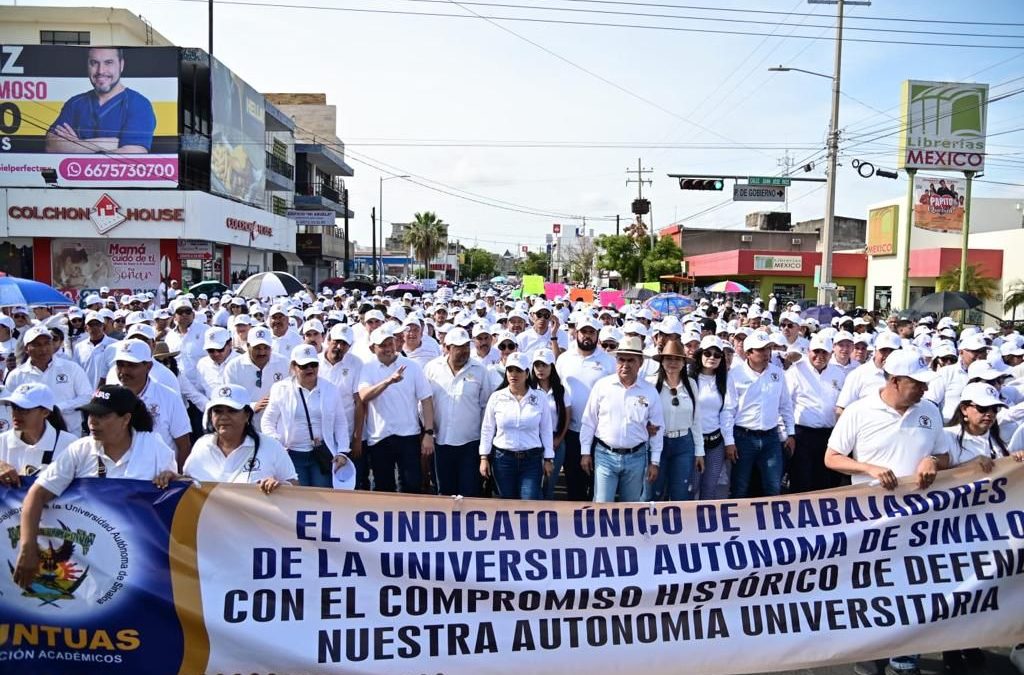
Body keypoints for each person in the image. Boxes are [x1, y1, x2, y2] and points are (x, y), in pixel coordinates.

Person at [825, 350, 950, 675]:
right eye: (917, 384)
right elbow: (833, 456)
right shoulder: (860, 411)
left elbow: (944, 454)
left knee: (915, 582)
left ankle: (906, 654)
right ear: (896, 381)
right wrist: (867, 467)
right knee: (872, 584)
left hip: (918, 516)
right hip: (871, 514)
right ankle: (870, 649)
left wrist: (933, 461)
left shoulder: (930, 411)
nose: (924, 390)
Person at [12, 386, 177, 589]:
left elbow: (175, 502)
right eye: (90, 414)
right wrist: (28, 547)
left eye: (102, 415)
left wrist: (173, 481)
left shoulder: (156, 450)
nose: (92, 421)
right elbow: (36, 495)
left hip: (143, 563)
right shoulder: (80, 449)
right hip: (91, 562)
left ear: (126, 419)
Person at [580, 335, 664, 503]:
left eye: (630, 360)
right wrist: (585, 452)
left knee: (630, 507)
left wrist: (655, 461)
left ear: (640, 363)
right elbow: (589, 421)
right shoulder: (602, 386)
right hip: (605, 454)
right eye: (621, 360)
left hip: (636, 456)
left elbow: (657, 428)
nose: (625, 365)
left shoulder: (649, 391)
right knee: (602, 505)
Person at [358, 326, 435, 494]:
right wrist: (388, 381)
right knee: (383, 489)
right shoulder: (367, 368)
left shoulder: (412, 367)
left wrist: (428, 433)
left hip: (408, 436)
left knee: (411, 486)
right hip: (379, 438)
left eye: (390, 344)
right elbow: (364, 396)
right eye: (382, 345)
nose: (388, 349)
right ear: (373, 348)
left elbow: (426, 400)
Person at [261, 345, 350, 488]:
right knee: (298, 496)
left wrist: (342, 451)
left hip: (322, 453)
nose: (310, 369)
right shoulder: (280, 389)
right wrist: (276, 442)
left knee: (322, 496)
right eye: (304, 366)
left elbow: (340, 422)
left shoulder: (330, 389)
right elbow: (268, 420)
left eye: (313, 365)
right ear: (294, 367)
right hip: (291, 454)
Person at [185, 384, 297, 494]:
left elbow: (295, 486)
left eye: (232, 411)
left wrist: (279, 487)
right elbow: (187, 482)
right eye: (218, 411)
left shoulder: (271, 446)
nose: (224, 417)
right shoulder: (201, 445)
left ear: (247, 415)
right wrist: (173, 478)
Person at [723, 331, 795, 498]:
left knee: (773, 486)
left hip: (771, 437)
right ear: (748, 353)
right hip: (743, 437)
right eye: (760, 350)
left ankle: (772, 522)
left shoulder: (777, 373)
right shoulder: (735, 375)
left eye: (768, 349)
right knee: (740, 486)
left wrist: (790, 433)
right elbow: (728, 410)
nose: (766, 353)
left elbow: (785, 405)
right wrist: (729, 441)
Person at [45, 47, 156, 154]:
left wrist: (76, 144)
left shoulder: (139, 105)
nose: (100, 70)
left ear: (121, 65)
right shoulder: (74, 104)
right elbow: (52, 146)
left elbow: (133, 152)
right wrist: (111, 144)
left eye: (108, 62)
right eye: (94, 63)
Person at [423, 327, 493, 497]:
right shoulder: (432, 368)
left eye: (466, 347)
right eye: (459, 347)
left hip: (470, 443)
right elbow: (424, 403)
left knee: (470, 492)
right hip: (440, 442)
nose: (464, 351)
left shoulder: (480, 370)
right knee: (445, 492)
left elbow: (486, 407)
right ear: (447, 348)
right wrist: (428, 431)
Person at [555, 315, 614, 501]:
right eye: (583, 332)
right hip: (571, 431)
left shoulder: (608, 361)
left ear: (597, 335)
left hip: (600, 433)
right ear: (576, 334)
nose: (587, 336)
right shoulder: (564, 359)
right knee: (574, 483)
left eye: (591, 332)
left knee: (597, 485)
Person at [479, 352, 552, 500]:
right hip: (503, 459)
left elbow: (546, 429)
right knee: (507, 503)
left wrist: (548, 458)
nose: (513, 374)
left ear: (527, 373)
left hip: (531, 459)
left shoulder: (539, 398)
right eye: (510, 370)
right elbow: (487, 429)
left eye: (518, 370)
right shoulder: (496, 397)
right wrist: (484, 457)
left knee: (529, 502)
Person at [785, 334, 848, 492]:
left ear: (830, 354)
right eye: (816, 352)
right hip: (802, 434)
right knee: (801, 481)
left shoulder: (839, 374)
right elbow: (784, 404)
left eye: (824, 353)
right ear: (808, 351)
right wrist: (788, 434)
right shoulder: (796, 370)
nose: (819, 356)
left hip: (829, 435)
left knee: (825, 482)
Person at [5, 325, 93, 434]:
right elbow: (9, 408)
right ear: (26, 349)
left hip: (69, 433)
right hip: (31, 437)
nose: (43, 349)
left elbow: (87, 397)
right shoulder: (16, 375)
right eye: (37, 345)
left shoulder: (71, 368)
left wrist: (59, 408)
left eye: (47, 343)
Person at [644, 340, 702, 501]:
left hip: (684, 443)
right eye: (668, 358)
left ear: (684, 363)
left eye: (677, 359)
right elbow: (640, 414)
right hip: (657, 442)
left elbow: (696, 420)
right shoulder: (650, 383)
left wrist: (699, 452)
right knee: (653, 491)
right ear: (662, 362)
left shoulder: (691, 384)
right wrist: (644, 427)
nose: (673, 363)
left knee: (680, 492)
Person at [0, 383, 76, 483]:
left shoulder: (70, 445)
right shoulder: (2, 440)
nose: (15, 414)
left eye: (24, 409)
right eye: (14, 407)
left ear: (45, 412)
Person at [222, 327, 291, 427]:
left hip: (277, 423)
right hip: (246, 424)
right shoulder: (234, 367)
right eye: (257, 348)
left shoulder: (284, 363)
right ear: (248, 346)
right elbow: (230, 399)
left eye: (266, 348)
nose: (262, 352)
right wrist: (253, 406)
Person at [692, 336, 731, 500]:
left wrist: (729, 441)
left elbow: (727, 411)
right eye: (708, 353)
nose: (712, 358)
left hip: (715, 442)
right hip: (693, 442)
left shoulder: (725, 379)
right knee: (691, 487)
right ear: (700, 354)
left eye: (717, 355)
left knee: (710, 488)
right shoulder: (689, 378)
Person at [532, 348, 570, 500]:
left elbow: (567, 417)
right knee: (534, 483)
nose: (540, 369)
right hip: (533, 442)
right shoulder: (529, 389)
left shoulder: (560, 390)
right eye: (537, 365)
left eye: (544, 365)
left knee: (549, 483)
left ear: (552, 367)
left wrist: (558, 440)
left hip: (556, 440)